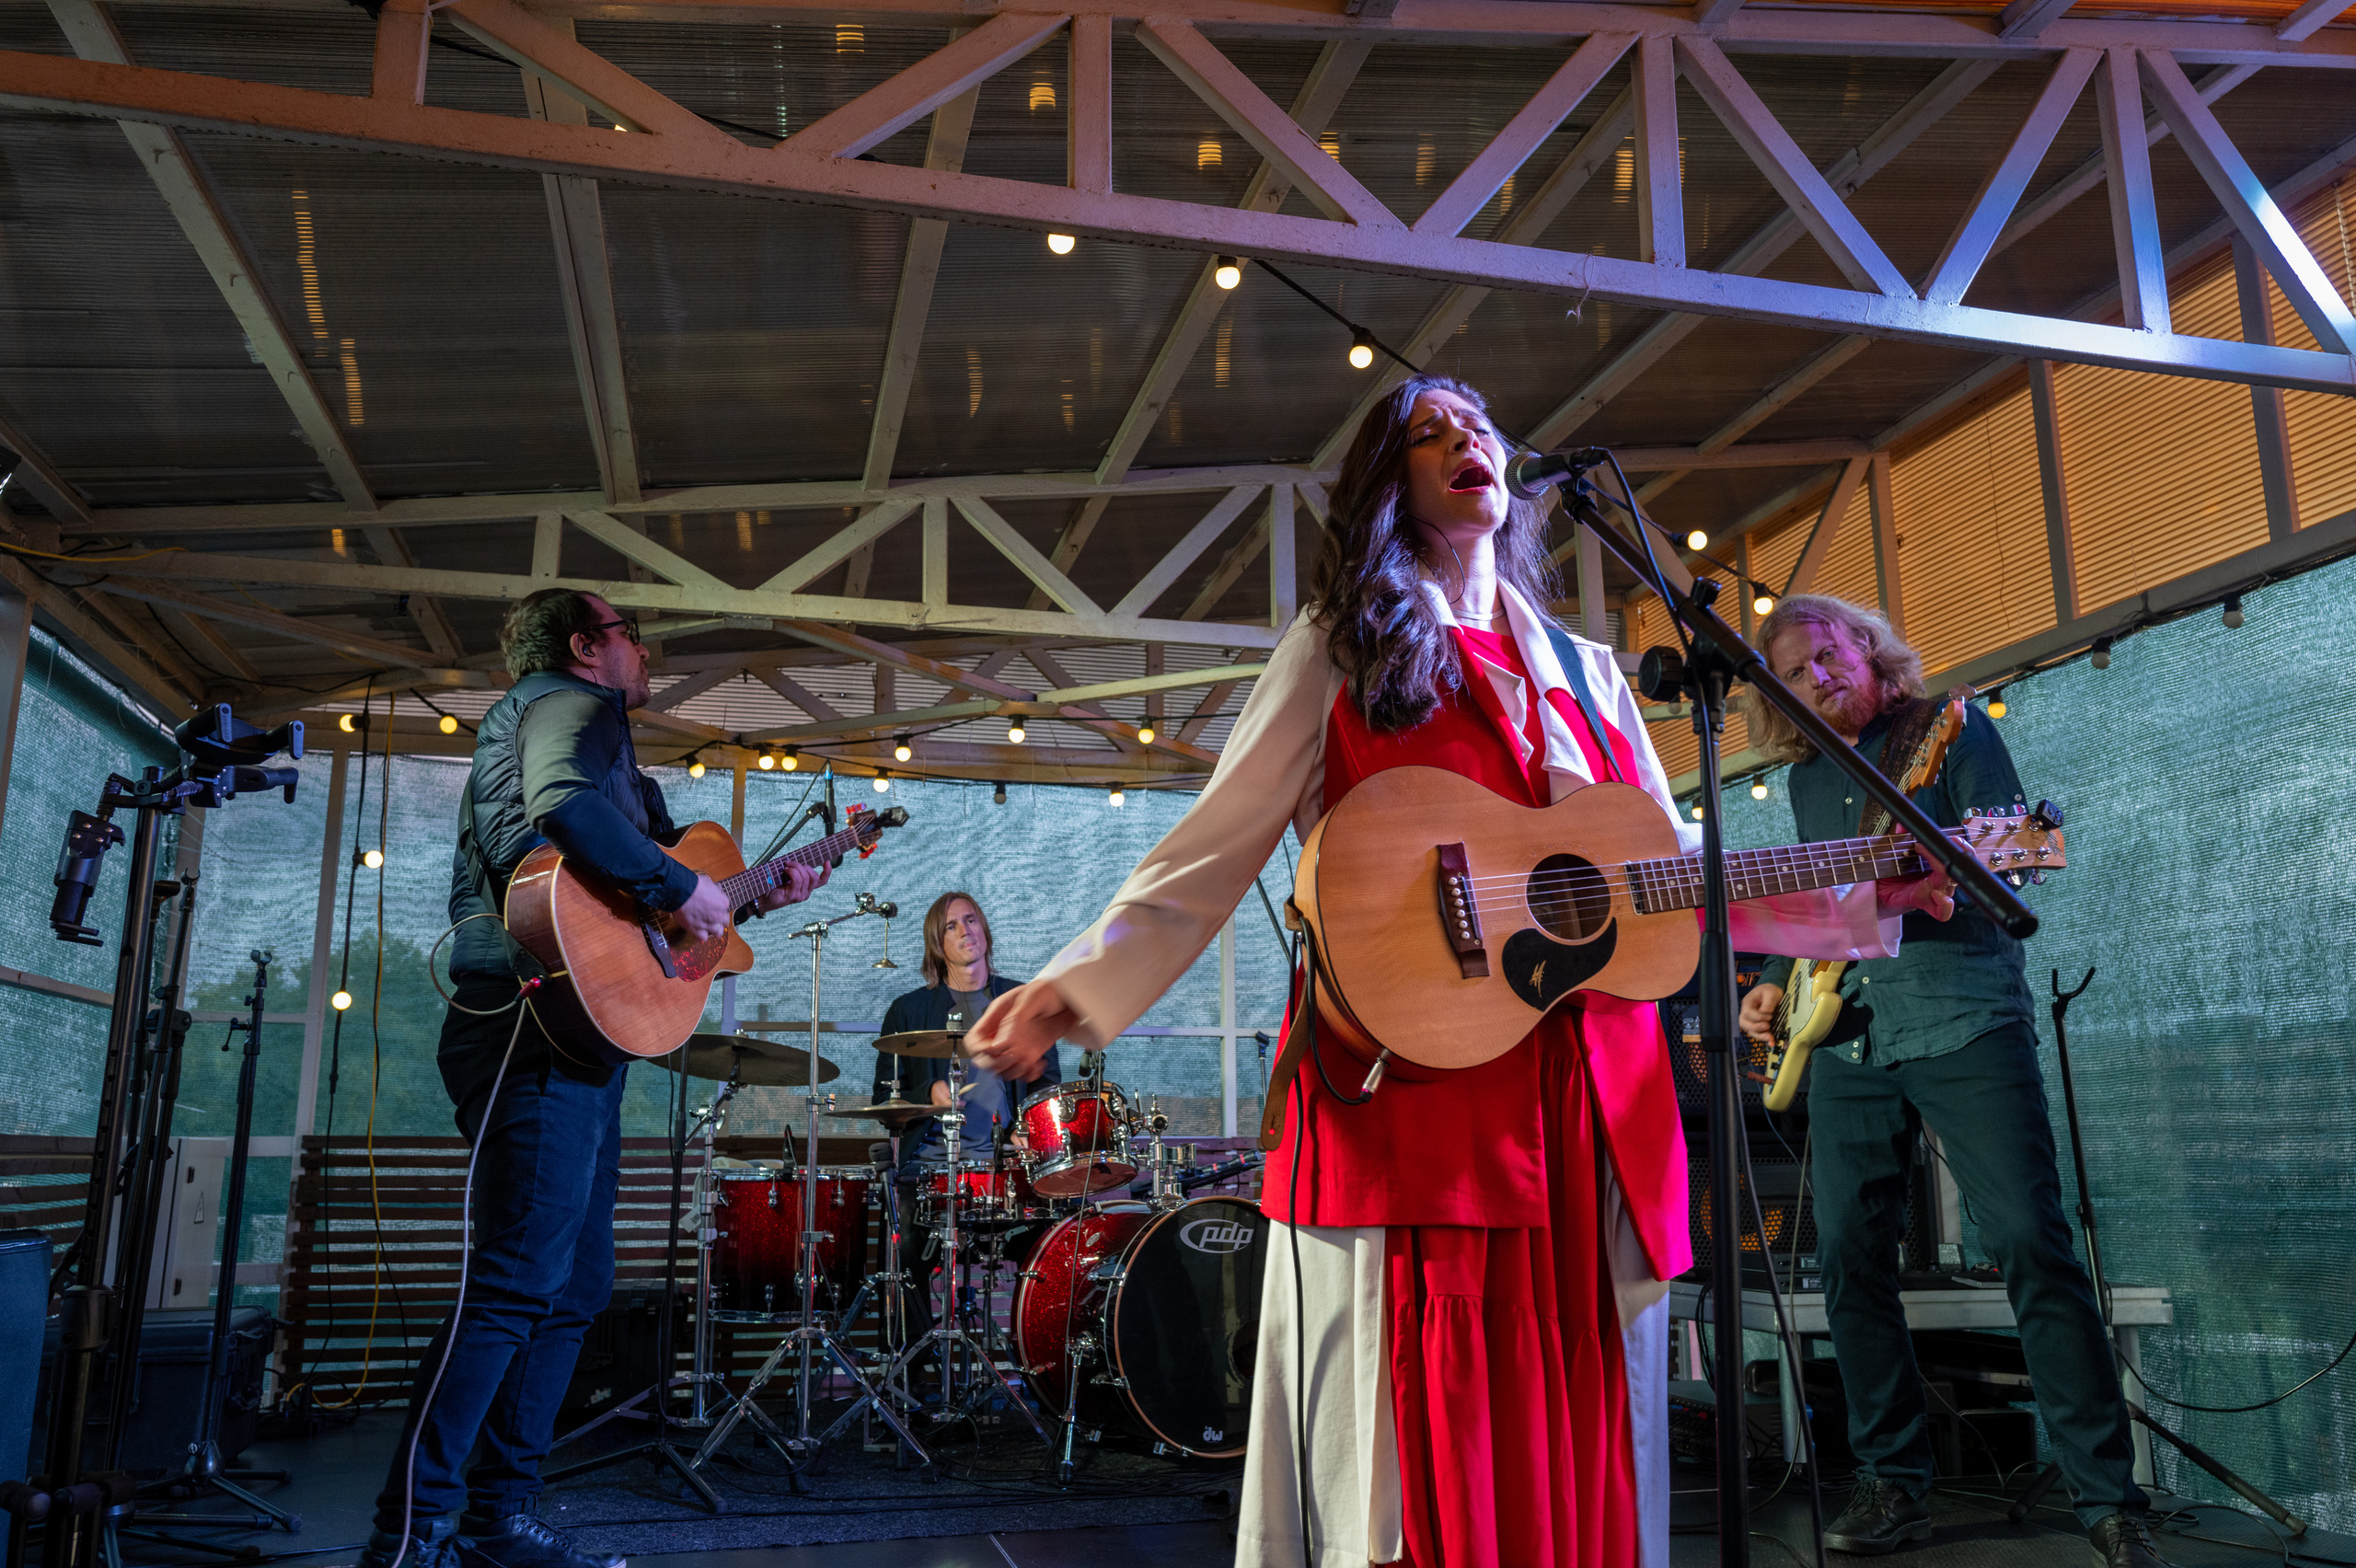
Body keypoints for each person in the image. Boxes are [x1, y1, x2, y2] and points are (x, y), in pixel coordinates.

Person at [967, 376, 1950, 1568]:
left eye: (1477, 425)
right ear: (1389, 484)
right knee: (1403, 1453)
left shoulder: (1593, 675)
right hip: (1413, 1097)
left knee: (1584, 1434)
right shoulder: (1343, 645)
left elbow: (1666, 864)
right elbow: (1220, 836)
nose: (1464, 442)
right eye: (1427, 434)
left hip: (1586, 1103)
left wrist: (1860, 890)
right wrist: (1080, 983)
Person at [364, 589, 826, 1568]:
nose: (645, 652)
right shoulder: (569, 708)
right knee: (515, 1281)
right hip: (529, 1029)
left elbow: (675, 904)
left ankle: (497, 1518)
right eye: (630, 636)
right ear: (586, 647)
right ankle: (414, 1534)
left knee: (574, 1284)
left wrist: (757, 893)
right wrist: (677, 886)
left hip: (585, 1037)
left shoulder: (618, 751)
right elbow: (557, 812)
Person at [1737, 596, 2159, 1568]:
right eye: (1794, 675)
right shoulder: (1803, 778)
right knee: (1844, 1257)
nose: (1816, 680)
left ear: (1869, 650)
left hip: (1962, 1012)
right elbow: (1821, 904)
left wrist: (1928, 873)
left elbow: (2007, 857)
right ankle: (1893, 1483)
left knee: (2026, 1242)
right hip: (1845, 1041)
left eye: (1827, 656)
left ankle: (2107, 1495)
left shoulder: (1950, 729)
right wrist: (1767, 986)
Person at [870, 893, 1060, 1384]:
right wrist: (925, 1093)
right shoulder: (908, 1013)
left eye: (970, 920)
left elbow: (1047, 1088)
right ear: (938, 945)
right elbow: (880, 1099)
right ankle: (920, 1377)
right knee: (902, 1241)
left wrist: (1029, 1127)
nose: (964, 931)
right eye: (951, 926)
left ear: (985, 930)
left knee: (1054, 1240)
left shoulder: (1021, 1003)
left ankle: (1044, 1367)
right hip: (928, 1171)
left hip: (1003, 1174)